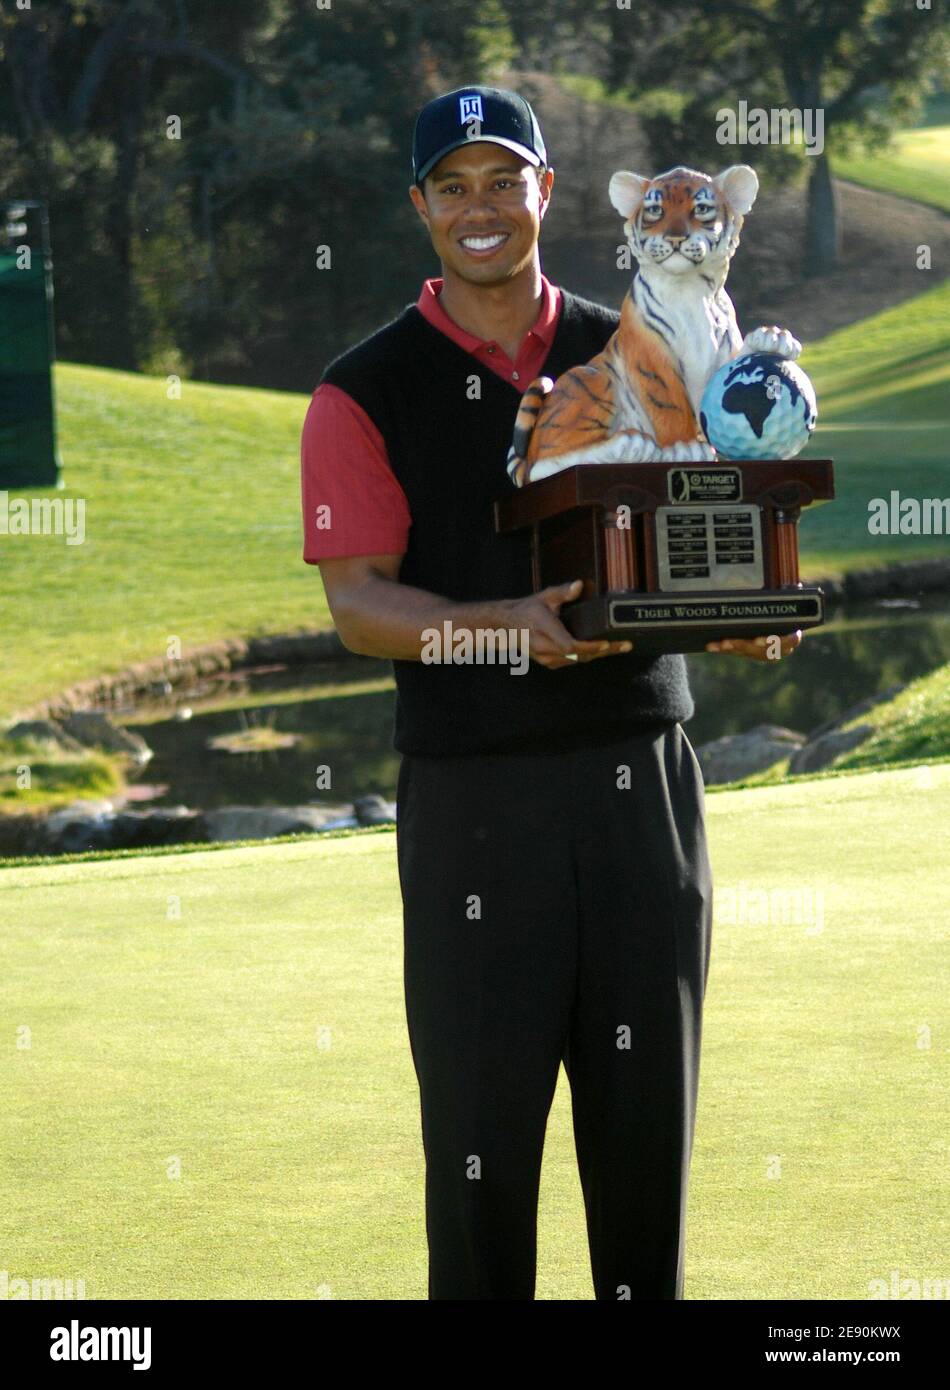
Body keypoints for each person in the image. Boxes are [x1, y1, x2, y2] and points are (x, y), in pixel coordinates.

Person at [300, 85, 801, 1300]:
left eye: (503, 181)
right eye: (453, 186)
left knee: (644, 1159)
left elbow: (710, 513)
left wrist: (736, 617)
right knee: (480, 1169)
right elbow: (363, 609)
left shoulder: (634, 337)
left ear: (547, 195)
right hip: (477, 811)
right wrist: (504, 636)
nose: (481, 209)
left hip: (643, 798)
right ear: (419, 205)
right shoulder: (360, 390)